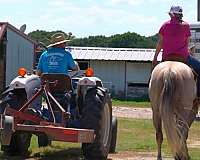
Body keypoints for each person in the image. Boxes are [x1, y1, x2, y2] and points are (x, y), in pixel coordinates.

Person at [153, 5, 200, 96]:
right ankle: (198, 96)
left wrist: (155, 58)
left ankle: (153, 94)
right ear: (180, 15)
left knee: (154, 74)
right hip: (183, 57)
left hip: (167, 57)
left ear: (172, 14)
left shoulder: (164, 25)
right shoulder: (186, 26)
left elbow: (160, 43)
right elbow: (187, 42)